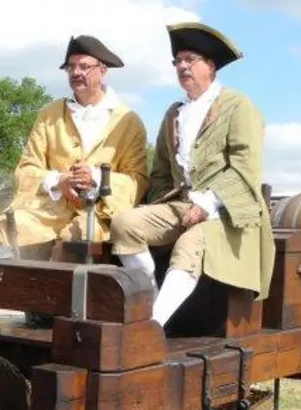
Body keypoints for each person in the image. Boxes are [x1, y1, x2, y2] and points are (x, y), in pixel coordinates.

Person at [110, 22, 273, 328]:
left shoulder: (238, 105)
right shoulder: (174, 113)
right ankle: (151, 307)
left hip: (230, 213)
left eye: (190, 60)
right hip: (182, 205)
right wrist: (162, 206)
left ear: (210, 66)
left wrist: (208, 205)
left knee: (188, 245)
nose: (182, 66)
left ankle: (152, 326)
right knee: (124, 224)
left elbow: (245, 168)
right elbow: (159, 171)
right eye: (177, 61)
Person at [1, 36, 149, 260]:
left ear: (102, 70)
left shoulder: (129, 121)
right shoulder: (49, 114)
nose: (76, 72)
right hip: (47, 210)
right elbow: (26, 170)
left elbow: (138, 181)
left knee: (71, 246)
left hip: (96, 215)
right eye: (71, 67)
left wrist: (98, 178)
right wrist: (58, 181)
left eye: (84, 66)